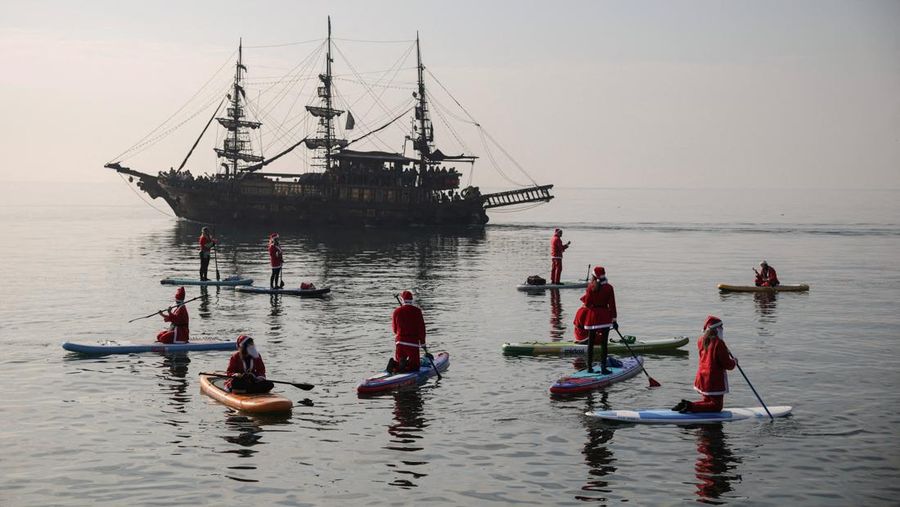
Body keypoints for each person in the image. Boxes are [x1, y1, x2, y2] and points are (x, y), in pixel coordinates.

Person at [672, 316, 736, 413]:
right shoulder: (719, 343)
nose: (723, 329)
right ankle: (690, 407)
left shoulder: (701, 340)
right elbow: (728, 365)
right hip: (713, 380)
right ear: (717, 329)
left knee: (708, 401)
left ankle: (686, 404)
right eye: (721, 327)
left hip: (702, 378)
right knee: (717, 406)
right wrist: (735, 361)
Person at [573, 266, 617, 373]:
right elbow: (612, 305)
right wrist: (614, 320)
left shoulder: (590, 287)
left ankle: (589, 368)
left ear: (594, 276)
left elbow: (587, 303)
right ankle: (603, 368)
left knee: (590, 344)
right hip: (605, 318)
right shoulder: (609, 288)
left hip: (592, 319)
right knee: (604, 345)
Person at [388, 290, 427, 374]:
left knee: (400, 361)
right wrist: (423, 344)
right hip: (412, 343)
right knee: (415, 367)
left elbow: (395, 330)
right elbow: (421, 329)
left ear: (402, 300)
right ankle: (404, 366)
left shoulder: (396, 311)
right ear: (412, 300)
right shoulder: (417, 311)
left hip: (399, 342)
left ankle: (395, 365)